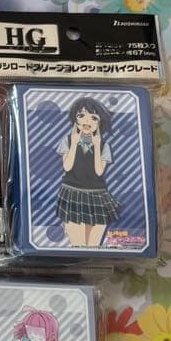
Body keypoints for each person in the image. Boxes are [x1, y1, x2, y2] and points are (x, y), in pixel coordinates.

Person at [56, 97, 119, 247]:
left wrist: (96, 146)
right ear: (75, 119)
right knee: (78, 245)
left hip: (97, 195)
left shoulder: (104, 146)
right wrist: (74, 143)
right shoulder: (67, 140)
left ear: (99, 122)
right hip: (72, 193)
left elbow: (99, 171)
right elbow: (67, 167)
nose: (87, 121)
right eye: (81, 115)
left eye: (93, 118)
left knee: (93, 247)